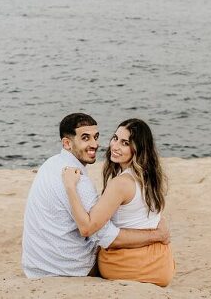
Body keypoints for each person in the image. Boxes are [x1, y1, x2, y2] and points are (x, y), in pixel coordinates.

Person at [21, 113, 170, 278]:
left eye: (96, 137)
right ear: (67, 143)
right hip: (67, 268)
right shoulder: (147, 177)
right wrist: (156, 235)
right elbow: (101, 233)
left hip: (34, 264)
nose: (95, 144)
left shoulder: (50, 164)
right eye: (86, 138)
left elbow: (95, 228)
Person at [62, 118, 175, 286]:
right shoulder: (152, 177)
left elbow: (87, 228)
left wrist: (70, 186)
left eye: (124, 143)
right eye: (115, 138)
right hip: (162, 264)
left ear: (137, 149)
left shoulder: (121, 184)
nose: (115, 146)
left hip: (129, 264)